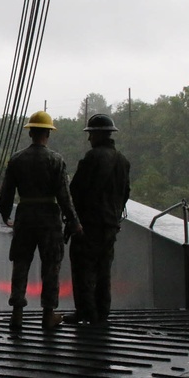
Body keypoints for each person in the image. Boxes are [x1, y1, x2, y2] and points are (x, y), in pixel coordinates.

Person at [0, 111, 80, 331]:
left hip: (24, 215)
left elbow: (6, 192)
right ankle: (48, 315)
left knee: (21, 263)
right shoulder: (56, 160)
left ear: (30, 133)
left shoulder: (16, 159)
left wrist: (5, 213)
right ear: (48, 134)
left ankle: (17, 314)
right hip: (49, 218)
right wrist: (73, 220)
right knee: (51, 266)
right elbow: (64, 195)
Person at [66, 114, 131, 327]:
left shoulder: (92, 158)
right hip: (110, 225)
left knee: (84, 269)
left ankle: (86, 312)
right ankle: (102, 313)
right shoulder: (122, 161)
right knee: (104, 270)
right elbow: (125, 192)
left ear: (97, 135)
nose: (88, 139)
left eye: (90, 134)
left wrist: (72, 220)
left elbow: (76, 190)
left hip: (89, 225)